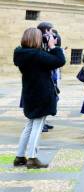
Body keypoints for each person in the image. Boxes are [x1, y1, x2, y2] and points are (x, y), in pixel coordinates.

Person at [14, 28, 66, 169]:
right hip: (41, 95)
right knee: (37, 126)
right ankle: (32, 158)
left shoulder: (21, 53)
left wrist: (47, 48)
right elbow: (60, 61)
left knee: (30, 125)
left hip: (30, 93)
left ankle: (19, 157)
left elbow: (46, 61)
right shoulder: (37, 55)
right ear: (36, 39)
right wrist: (53, 46)